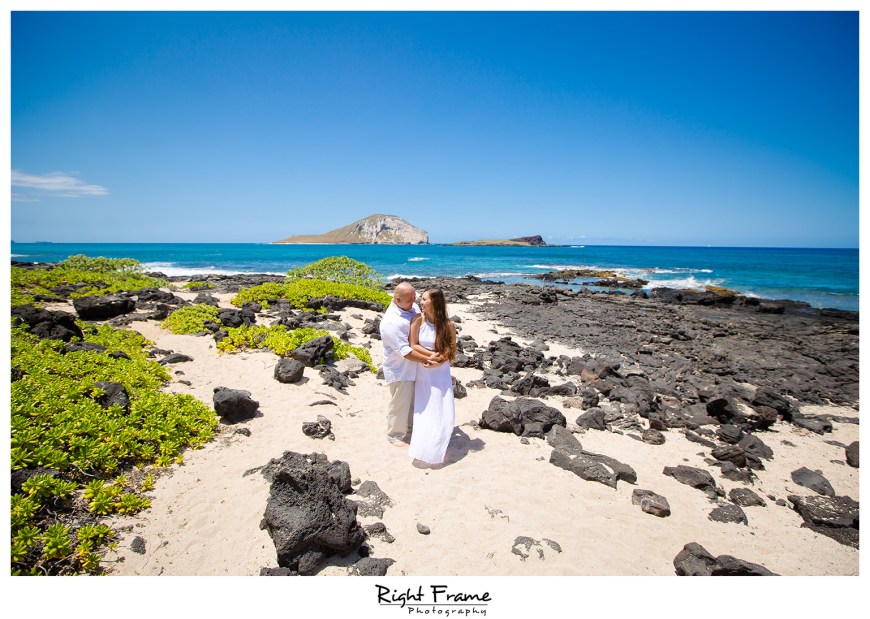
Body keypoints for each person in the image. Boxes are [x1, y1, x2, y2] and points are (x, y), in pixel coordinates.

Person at [380, 282, 442, 445]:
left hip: (414, 367)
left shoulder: (410, 306)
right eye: (409, 299)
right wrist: (428, 358)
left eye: (415, 297)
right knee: (400, 403)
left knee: (414, 402)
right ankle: (395, 434)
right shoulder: (391, 322)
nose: (414, 301)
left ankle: (411, 429)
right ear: (397, 299)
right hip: (400, 368)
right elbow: (405, 351)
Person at [407, 288, 457, 466]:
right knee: (425, 407)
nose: (421, 301)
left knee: (442, 407)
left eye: (424, 299)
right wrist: (430, 356)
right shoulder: (418, 320)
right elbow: (413, 344)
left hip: (441, 371)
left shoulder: (448, 324)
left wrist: (440, 360)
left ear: (434, 302)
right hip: (424, 370)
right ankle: (423, 446)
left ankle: (438, 443)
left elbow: (451, 348)